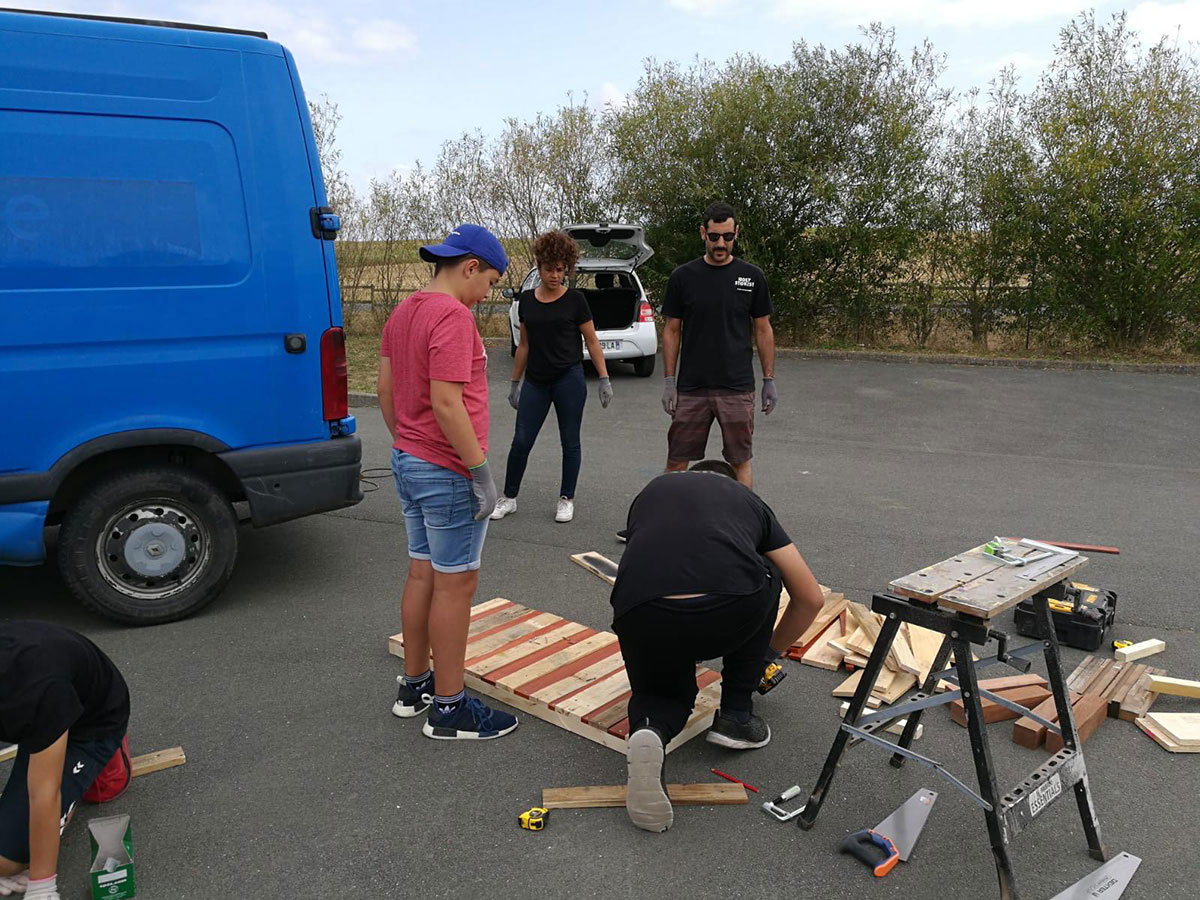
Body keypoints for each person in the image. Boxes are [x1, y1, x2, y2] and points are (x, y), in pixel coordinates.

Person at [609, 461, 824, 833]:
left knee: (661, 687)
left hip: (638, 609)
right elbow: (810, 597)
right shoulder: (747, 499)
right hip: (728, 611)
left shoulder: (652, 493)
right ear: (733, 483)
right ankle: (736, 716)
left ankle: (650, 727)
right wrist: (765, 657)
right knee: (768, 573)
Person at [378, 224, 518, 741]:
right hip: (448, 469)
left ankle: (414, 686)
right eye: (490, 282)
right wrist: (479, 471)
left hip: (408, 461)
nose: (487, 295)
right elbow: (446, 402)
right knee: (456, 585)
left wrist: (409, 444)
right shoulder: (453, 316)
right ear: (469, 267)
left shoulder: (404, 311)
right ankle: (450, 708)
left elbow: (386, 390)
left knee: (423, 575)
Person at [0, 622, 132, 900]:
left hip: (90, 725)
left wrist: (42, 887)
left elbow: (44, 795)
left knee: (5, 861)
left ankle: (108, 761)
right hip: (45, 696)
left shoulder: (38, 691)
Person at [491, 230, 613, 524]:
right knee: (521, 441)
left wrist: (604, 378)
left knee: (570, 441)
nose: (555, 275)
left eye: (561, 269)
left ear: (567, 268)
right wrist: (514, 382)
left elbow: (592, 341)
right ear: (539, 266)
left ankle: (566, 498)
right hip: (536, 381)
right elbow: (524, 345)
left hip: (568, 380)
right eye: (549, 269)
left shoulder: (576, 300)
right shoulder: (528, 302)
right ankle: (508, 497)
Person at [660, 201, 776, 489]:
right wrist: (669, 381)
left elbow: (763, 330)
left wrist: (769, 380)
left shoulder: (752, 277)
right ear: (703, 233)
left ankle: (745, 527)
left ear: (736, 233)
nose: (721, 243)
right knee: (677, 460)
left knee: (740, 462)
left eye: (727, 236)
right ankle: (659, 520)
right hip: (692, 388)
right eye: (714, 237)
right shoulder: (683, 278)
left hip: (736, 387)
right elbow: (672, 331)